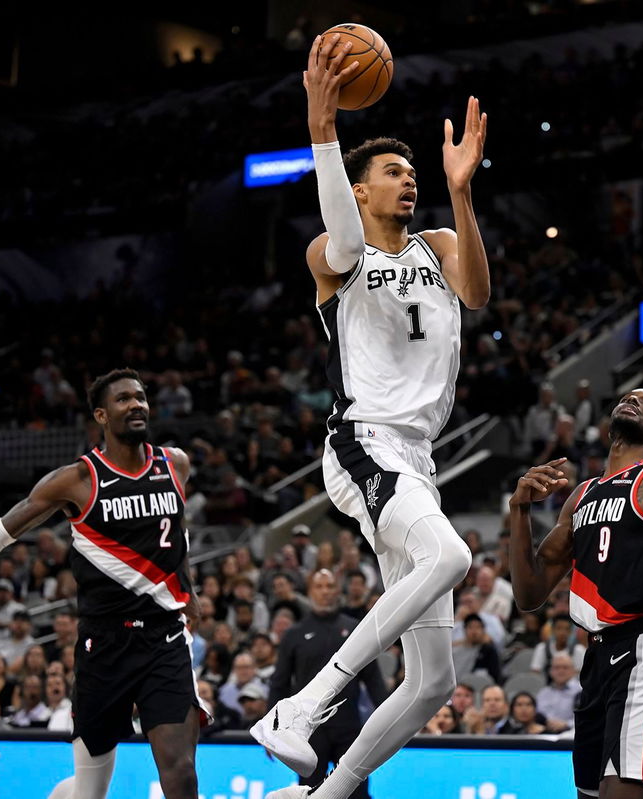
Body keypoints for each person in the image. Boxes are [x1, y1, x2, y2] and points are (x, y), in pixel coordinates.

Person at [252, 32, 489, 799]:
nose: (408, 179)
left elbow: (479, 296)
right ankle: (304, 703)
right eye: (394, 171)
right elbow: (341, 244)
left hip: (418, 459)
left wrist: (461, 189)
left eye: (412, 170)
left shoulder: (440, 242)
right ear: (358, 190)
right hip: (364, 444)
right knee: (450, 557)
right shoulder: (334, 253)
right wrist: (323, 131)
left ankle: (326, 795)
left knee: (431, 683)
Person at [0, 368, 206, 799]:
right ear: (102, 416)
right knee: (89, 790)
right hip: (103, 648)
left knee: (180, 773)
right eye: (124, 399)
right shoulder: (77, 480)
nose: (137, 405)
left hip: (165, 641)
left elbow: (173, 533)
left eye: (141, 397)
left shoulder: (175, 464)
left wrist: (190, 591)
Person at [508, 388, 643, 796]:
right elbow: (529, 594)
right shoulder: (582, 494)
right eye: (629, 396)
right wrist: (519, 510)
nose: (633, 399)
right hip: (596, 660)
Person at [269, 569, 386, 799]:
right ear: (310, 591)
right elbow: (280, 683)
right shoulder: (294, 633)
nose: (325, 592)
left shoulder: (355, 629)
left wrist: (390, 719)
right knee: (310, 792)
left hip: (349, 727)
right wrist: (274, 731)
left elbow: (373, 678)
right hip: (310, 732)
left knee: (357, 792)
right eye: (319, 586)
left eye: (330, 586)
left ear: (338, 591)